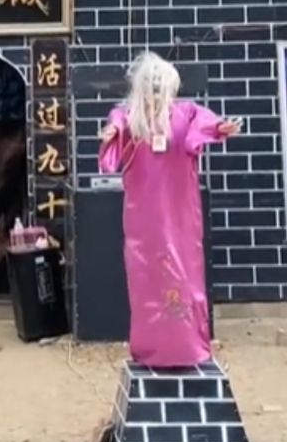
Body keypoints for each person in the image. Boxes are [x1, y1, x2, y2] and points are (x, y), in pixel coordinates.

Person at [98, 52, 242, 368]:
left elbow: (207, 123)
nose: (155, 90)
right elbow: (115, 125)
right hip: (144, 217)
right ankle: (150, 347)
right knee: (146, 277)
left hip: (180, 213)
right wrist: (112, 133)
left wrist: (221, 127)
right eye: (150, 83)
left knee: (185, 273)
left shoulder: (186, 113)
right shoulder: (130, 117)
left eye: (160, 84)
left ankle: (189, 346)